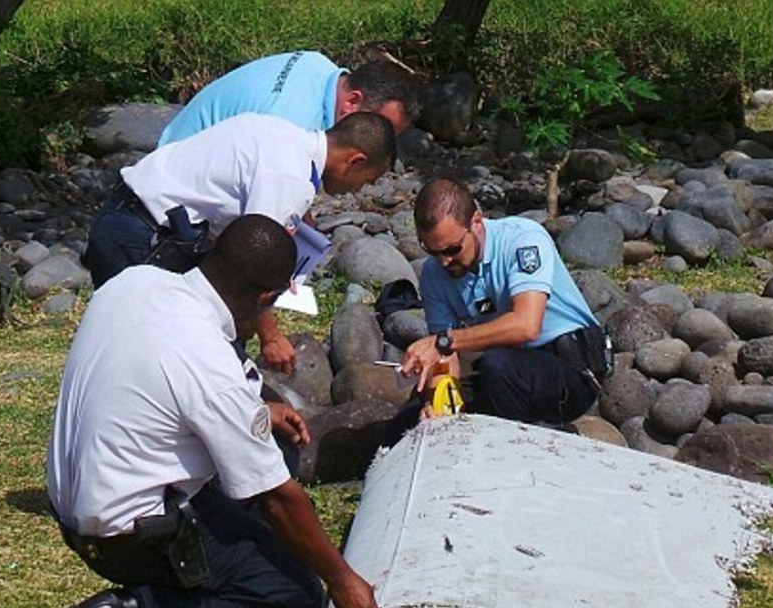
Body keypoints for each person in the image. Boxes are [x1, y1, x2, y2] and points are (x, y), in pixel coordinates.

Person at [49, 215, 388, 608]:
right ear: (266, 298)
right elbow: (279, 500)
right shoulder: (207, 361)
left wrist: (260, 411)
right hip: (125, 533)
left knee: (275, 456)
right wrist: (342, 578)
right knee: (291, 595)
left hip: (76, 502)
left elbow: (163, 384)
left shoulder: (136, 281)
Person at [83, 111, 396, 371]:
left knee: (129, 343)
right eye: (365, 180)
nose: (356, 190)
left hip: (127, 215)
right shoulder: (291, 177)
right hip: (144, 237)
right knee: (142, 354)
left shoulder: (280, 131)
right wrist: (270, 336)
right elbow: (254, 262)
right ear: (355, 160)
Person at [388, 177, 607, 440]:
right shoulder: (435, 274)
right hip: (508, 368)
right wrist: (438, 404)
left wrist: (444, 341)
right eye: (432, 251)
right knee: (409, 422)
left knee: (499, 366)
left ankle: (512, 451)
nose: (445, 261)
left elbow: (526, 326)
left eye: (453, 249)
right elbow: (445, 358)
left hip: (570, 371)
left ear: (476, 223)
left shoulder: (523, 240)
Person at [158, 50, 418, 146]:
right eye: (380, 130)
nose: (379, 144)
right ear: (352, 101)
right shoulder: (292, 126)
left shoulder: (318, 65)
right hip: (171, 196)